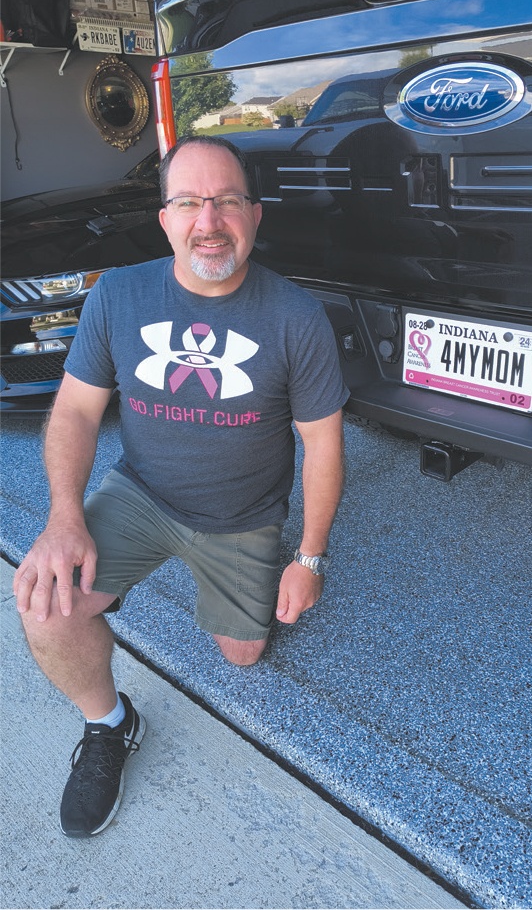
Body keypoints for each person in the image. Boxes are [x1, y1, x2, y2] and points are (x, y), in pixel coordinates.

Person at [13, 135, 348, 838]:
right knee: (46, 605)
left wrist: (309, 557)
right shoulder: (120, 295)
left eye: (227, 201)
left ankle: (235, 579)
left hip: (243, 516)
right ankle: (109, 726)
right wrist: (64, 517)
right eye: (190, 202)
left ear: (255, 215)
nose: (209, 220)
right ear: (164, 218)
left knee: (243, 655)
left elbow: (322, 446)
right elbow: (74, 407)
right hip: (142, 494)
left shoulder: (296, 317)